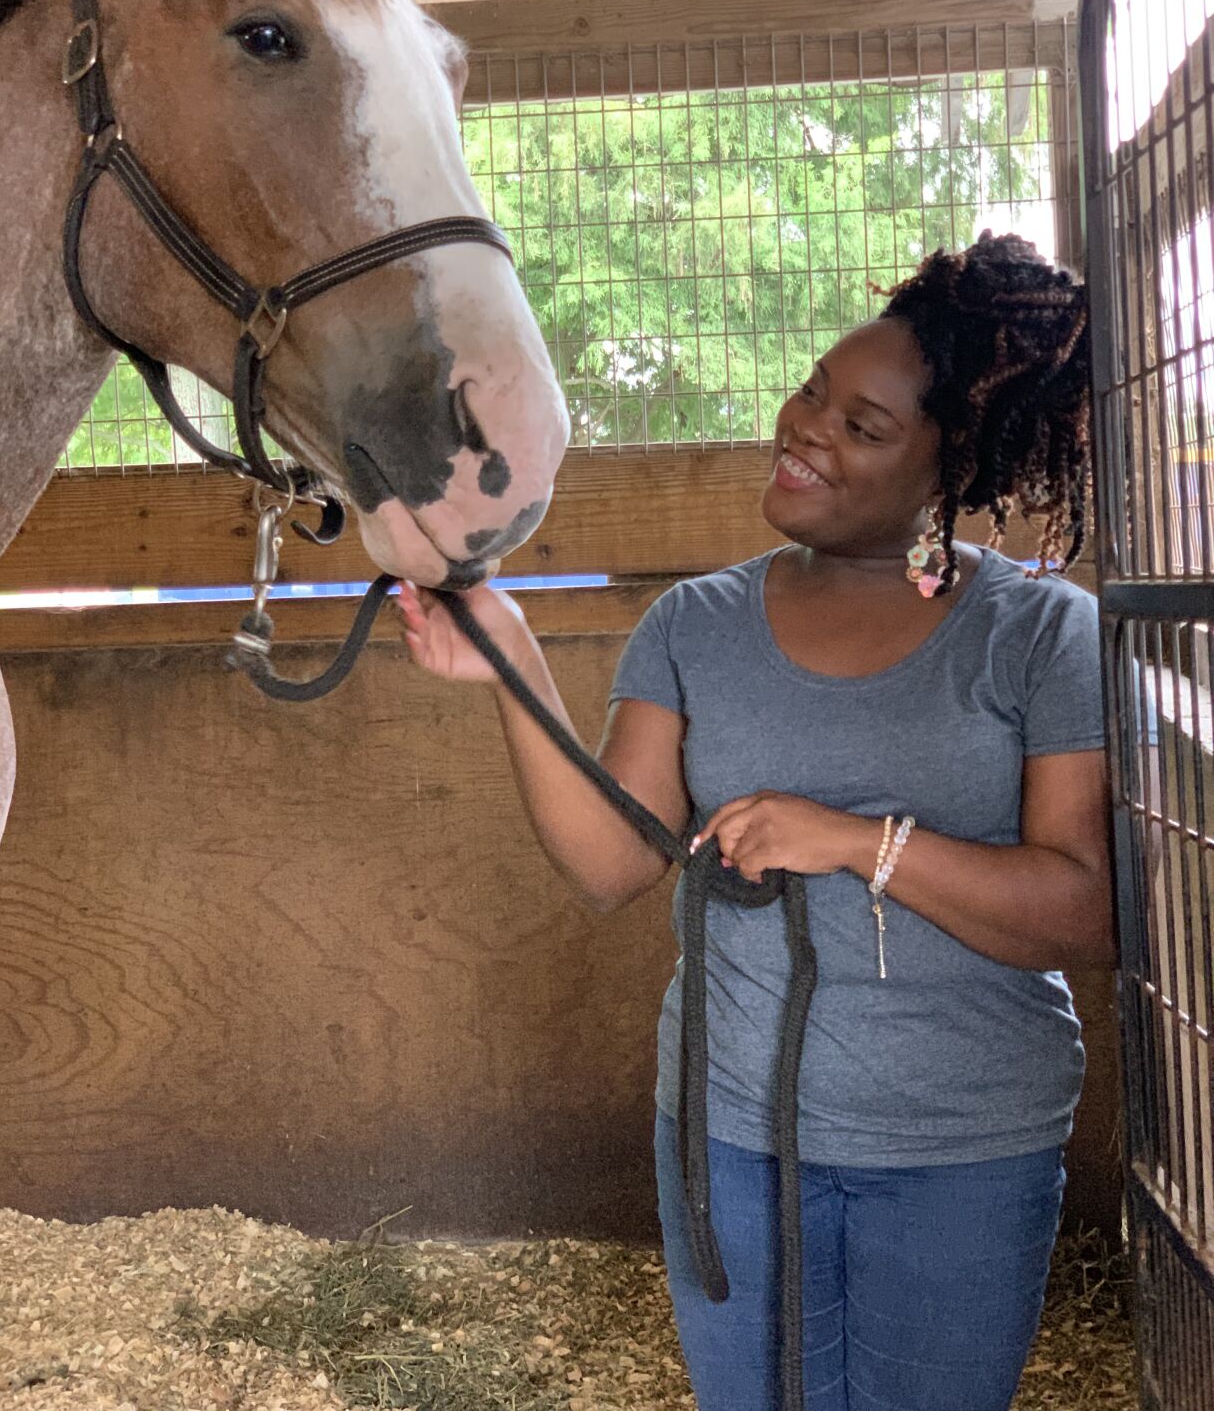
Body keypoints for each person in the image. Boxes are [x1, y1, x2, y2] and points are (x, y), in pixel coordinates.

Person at [396, 230, 1115, 1411]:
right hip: (731, 1140)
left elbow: (1081, 906)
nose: (806, 429)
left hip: (961, 1145)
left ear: (946, 467)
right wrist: (510, 660)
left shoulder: (1037, 636)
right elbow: (610, 863)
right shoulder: (694, 626)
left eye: (862, 427)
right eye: (811, 391)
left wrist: (854, 841)